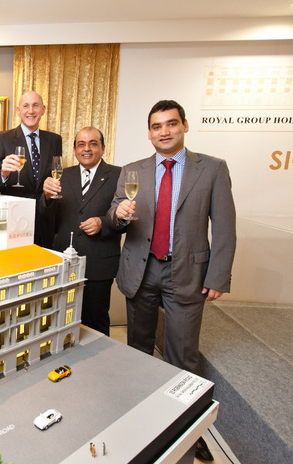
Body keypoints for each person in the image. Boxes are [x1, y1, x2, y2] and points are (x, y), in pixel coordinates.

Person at [105, 100, 236, 462]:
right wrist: (119, 214)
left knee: (183, 356)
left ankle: (187, 431)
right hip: (141, 271)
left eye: (171, 124)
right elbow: (113, 219)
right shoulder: (132, 170)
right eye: (156, 126)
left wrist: (218, 275)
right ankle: (140, 420)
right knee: (138, 350)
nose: (164, 131)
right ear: (149, 133)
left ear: (184, 126)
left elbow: (225, 226)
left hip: (187, 273)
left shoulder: (212, 169)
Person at [39, 127, 122, 335]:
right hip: (64, 262)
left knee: (96, 323)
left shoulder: (118, 175)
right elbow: (47, 217)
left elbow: (125, 218)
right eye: (81, 144)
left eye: (93, 144)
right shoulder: (62, 175)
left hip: (99, 263)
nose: (87, 149)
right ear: (75, 150)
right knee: (61, 320)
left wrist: (103, 223)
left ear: (103, 148)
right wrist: (46, 197)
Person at [0, 91, 62, 246]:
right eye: (26, 106)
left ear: (43, 109)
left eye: (35, 105)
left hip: (44, 222)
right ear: (18, 110)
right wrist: (3, 173)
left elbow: (56, 179)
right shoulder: (2, 138)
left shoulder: (54, 140)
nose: (31, 111)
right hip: (14, 222)